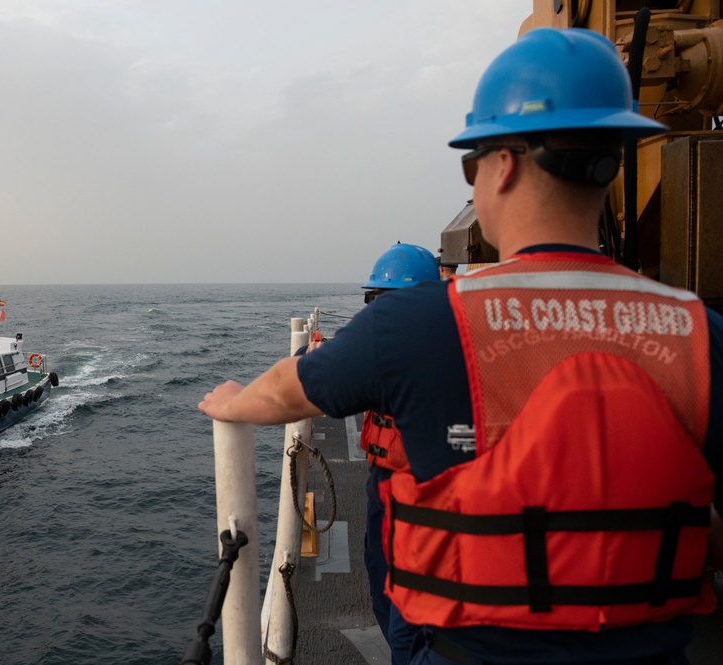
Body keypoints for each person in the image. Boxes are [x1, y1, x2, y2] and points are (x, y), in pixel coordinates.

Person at [199, 27, 722, 665]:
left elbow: (289, 389)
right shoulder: (700, 335)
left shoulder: (419, 324)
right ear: (613, 161)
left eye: (470, 164)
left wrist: (230, 400)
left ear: (502, 165)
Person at [357, 243, 439, 665]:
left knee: (405, 610)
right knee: (383, 586)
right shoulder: (419, 346)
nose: (375, 310)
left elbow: (309, 374)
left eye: (381, 299)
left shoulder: (396, 355)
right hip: (388, 491)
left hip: (412, 497)